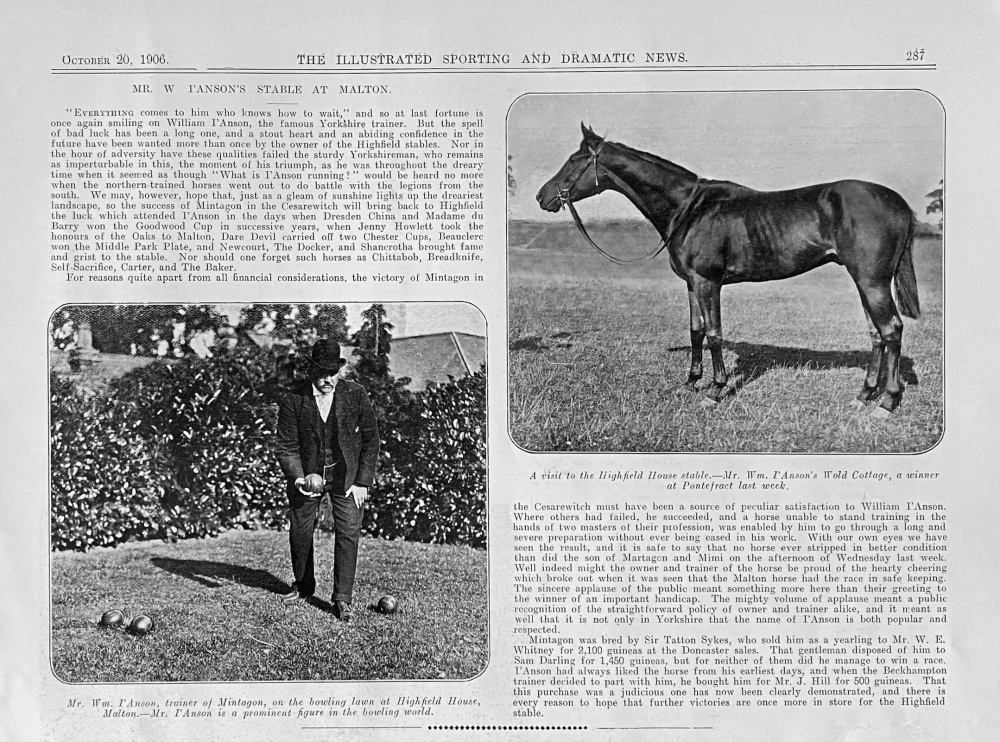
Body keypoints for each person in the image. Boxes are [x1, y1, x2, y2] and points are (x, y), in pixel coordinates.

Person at [275, 339, 380, 622]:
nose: (327, 379)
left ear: (339, 371)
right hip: (307, 478)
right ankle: (303, 586)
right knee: (300, 530)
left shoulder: (355, 395)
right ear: (310, 370)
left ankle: (342, 599)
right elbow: (286, 446)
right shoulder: (293, 399)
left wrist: (362, 482)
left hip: (346, 478)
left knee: (348, 532)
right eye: (321, 372)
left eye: (333, 372)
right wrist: (298, 478)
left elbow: (372, 441)